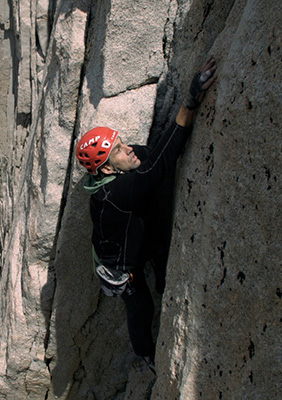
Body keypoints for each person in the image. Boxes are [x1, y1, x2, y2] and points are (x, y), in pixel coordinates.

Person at [75, 57, 217, 373]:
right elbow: (159, 165)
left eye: (122, 142)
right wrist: (189, 103)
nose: (130, 149)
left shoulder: (116, 172)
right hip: (123, 267)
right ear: (108, 169)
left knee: (160, 255)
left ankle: (167, 283)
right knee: (141, 308)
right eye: (120, 150)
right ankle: (146, 354)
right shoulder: (114, 193)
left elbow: (152, 154)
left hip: (136, 235)